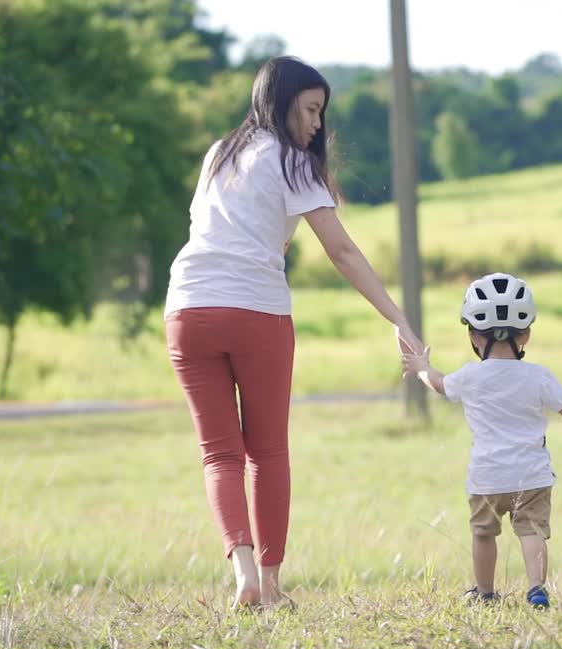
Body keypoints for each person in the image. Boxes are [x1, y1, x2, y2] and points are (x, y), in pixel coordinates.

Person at [163, 56, 422, 610]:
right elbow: (343, 251)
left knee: (218, 455)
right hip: (254, 311)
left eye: (321, 113)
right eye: (309, 110)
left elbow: (215, 227)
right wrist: (398, 320)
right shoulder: (292, 161)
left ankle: (244, 577)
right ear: (281, 103)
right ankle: (273, 586)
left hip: (186, 309)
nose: (316, 125)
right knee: (267, 451)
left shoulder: (218, 154)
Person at [402, 272, 562, 609]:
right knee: (532, 531)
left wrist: (421, 366)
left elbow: (439, 384)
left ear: (474, 337)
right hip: (532, 475)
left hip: (487, 477)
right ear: (527, 336)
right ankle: (536, 588)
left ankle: (485, 592)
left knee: (483, 533)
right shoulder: (538, 376)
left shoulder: (470, 376)